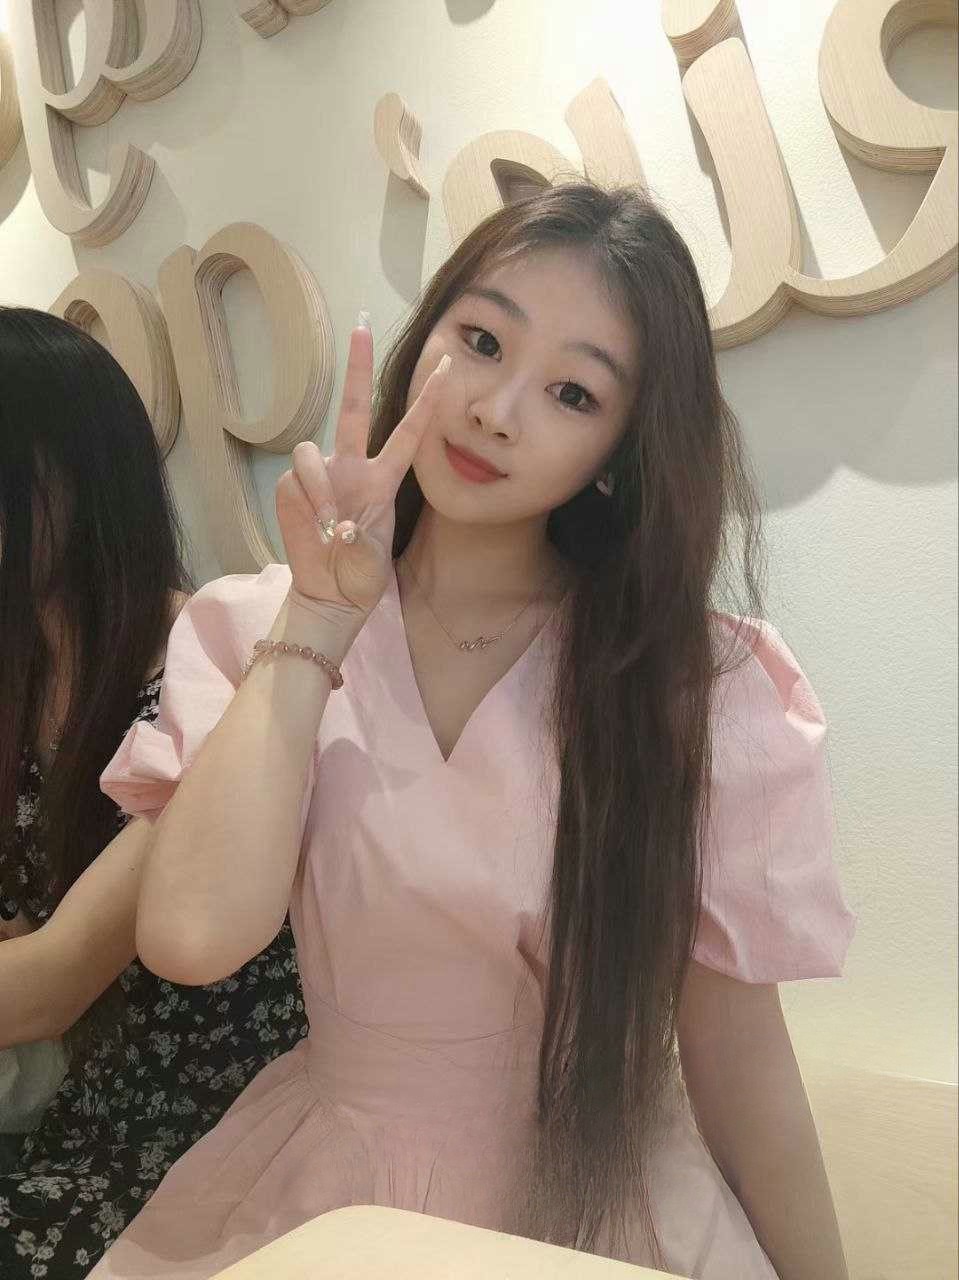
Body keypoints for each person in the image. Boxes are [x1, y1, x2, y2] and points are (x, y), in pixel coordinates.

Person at [90, 183, 855, 1280]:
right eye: (482, 340)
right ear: (425, 340)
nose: (496, 409)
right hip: (331, 1193)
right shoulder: (256, 625)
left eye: (572, 392)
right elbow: (191, 937)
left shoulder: (696, 686)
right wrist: (319, 617)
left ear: (619, 448)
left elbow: (736, 1053)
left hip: (601, 1204)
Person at [0, 308, 306, 1278]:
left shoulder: (212, 669)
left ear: (78, 479)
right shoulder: (24, 682)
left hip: (214, 1141)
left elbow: (53, 979)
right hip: (80, 1121)